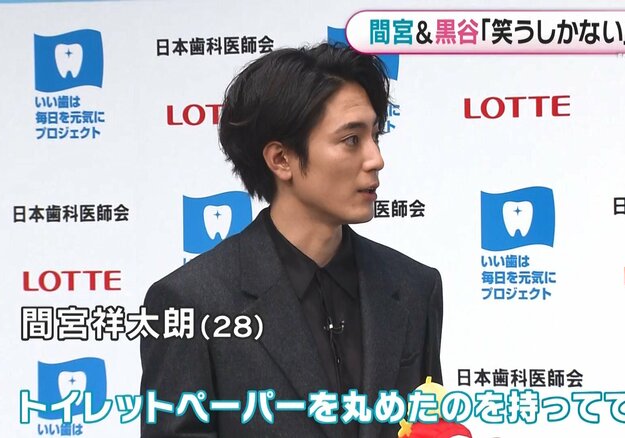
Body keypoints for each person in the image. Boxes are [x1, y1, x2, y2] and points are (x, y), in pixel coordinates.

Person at [140, 43, 444, 438]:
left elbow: (430, 425)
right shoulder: (191, 303)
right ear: (281, 160)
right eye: (351, 140)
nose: (375, 159)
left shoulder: (414, 286)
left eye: (375, 136)